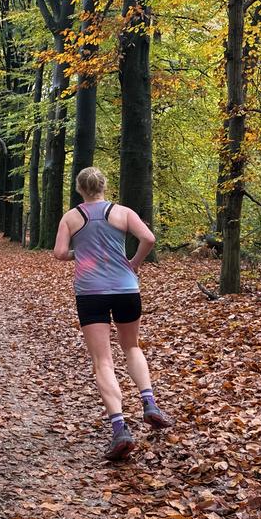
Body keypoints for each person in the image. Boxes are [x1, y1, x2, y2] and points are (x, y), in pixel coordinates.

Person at [53, 167, 172, 461]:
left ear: (79, 189)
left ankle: (119, 428)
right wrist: (134, 263)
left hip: (90, 292)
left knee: (102, 360)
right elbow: (149, 238)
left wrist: (80, 252)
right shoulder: (123, 213)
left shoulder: (70, 218)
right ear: (104, 186)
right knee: (132, 346)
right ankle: (149, 402)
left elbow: (59, 253)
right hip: (125, 288)